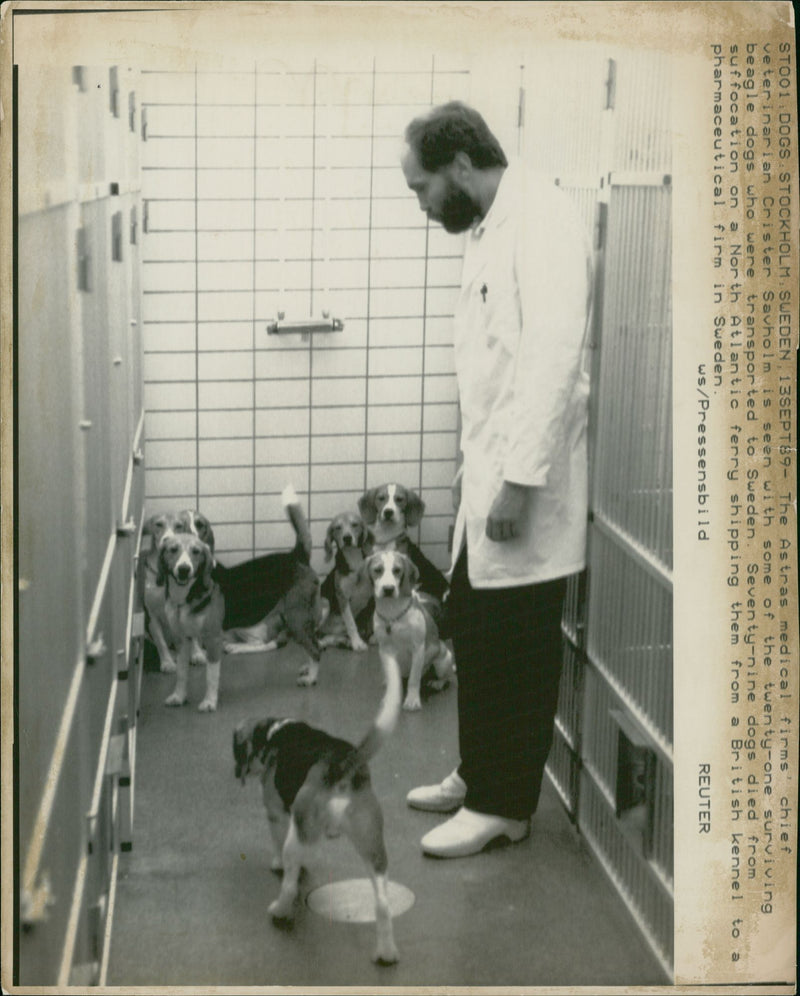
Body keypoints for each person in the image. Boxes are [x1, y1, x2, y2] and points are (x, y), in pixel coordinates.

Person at [400, 101, 592, 858]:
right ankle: (477, 775)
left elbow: (551, 361)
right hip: (489, 475)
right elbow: (490, 371)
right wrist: (470, 471)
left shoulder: (541, 220)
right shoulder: (487, 228)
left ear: (459, 165)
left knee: (518, 642)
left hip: (526, 486)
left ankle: (505, 803)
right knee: (478, 633)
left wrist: (517, 480)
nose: (421, 205)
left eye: (421, 188)